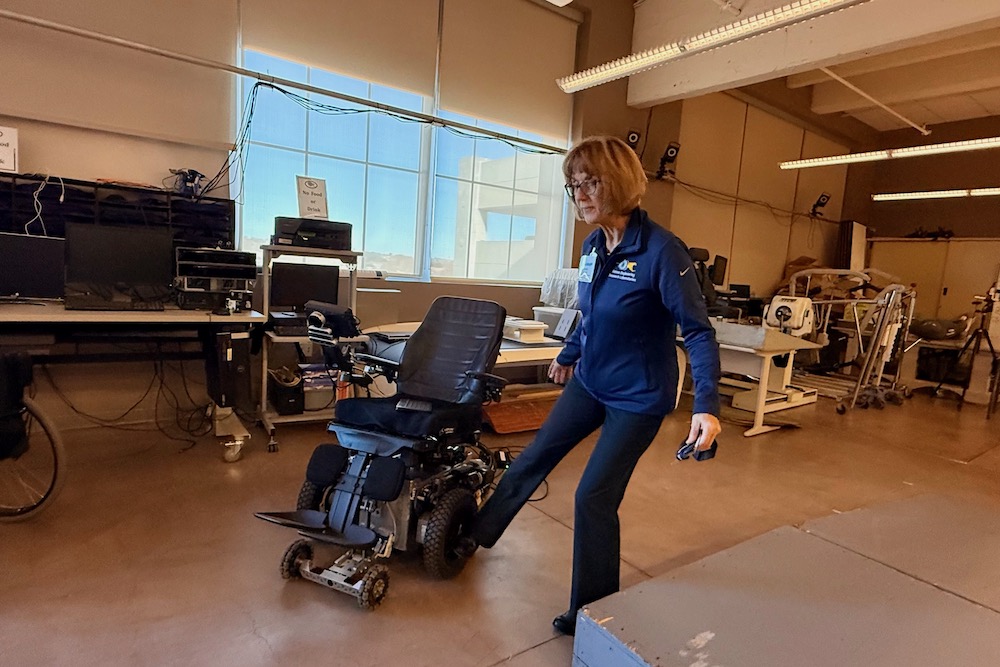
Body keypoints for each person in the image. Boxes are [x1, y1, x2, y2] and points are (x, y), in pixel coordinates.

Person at [458, 135, 722, 636]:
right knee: (533, 457)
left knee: (592, 498)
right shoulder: (593, 244)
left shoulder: (664, 253)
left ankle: (592, 611)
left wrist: (706, 405)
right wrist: (570, 351)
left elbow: (699, 331)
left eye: (590, 182)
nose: (579, 194)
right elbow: (591, 307)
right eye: (572, 185)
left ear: (619, 184)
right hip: (592, 382)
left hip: (639, 399)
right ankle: (473, 534)